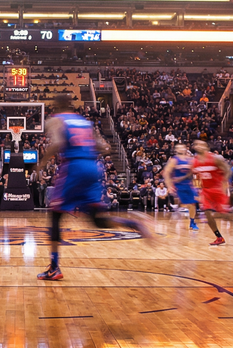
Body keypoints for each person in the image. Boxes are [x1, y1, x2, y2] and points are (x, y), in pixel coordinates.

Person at [35, 95, 152, 281]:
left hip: (74, 167)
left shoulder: (57, 120)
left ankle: (54, 267)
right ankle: (133, 224)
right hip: (93, 168)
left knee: (55, 215)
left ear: (57, 106)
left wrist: (41, 163)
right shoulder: (84, 122)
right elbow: (103, 147)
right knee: (97, 220)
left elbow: (57, 144)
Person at [192, 140, 232, 247]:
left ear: (206, 147)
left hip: (217, 189)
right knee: (207, 213)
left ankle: (227, 215)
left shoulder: (215, 158)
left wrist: (224, 182)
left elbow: (227, 170)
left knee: (224, 214)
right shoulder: (194, 162)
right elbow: (193, 176)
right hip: (205, 190)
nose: (198, 146)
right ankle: (219, 237)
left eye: (201, 144)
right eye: (197, 144)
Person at [162, 143, 199, 230]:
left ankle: (192, 222)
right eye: (179, 148)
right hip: (179, 185)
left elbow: (192, 171)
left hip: (189, 184)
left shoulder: (190, 159)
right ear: (176, 150)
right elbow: (166, 173)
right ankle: (179, 212)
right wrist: (169, 185)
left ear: (186, 148)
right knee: (190, 203)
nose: (181, 149)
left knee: (193, 204)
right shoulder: (174, 160)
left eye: (182, 147)